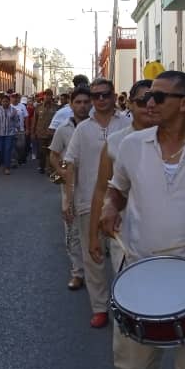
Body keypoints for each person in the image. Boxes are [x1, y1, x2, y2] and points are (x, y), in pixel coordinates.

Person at [102, 71, 185, 369]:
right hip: (140, 268)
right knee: (132, 368)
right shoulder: (131, 145)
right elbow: (117, 189)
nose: (150, 102)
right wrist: (109, 208)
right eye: (148, 96)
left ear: (184, 103)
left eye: (159, 97)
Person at [62, 78, 130, 328]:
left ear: (114, 96)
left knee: (123, 255)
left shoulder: (129, 124)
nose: (100, 99)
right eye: (96, 96)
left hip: (122, 201)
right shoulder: (82, 129)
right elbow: (71, 164)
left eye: (105, 95)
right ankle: (100, 307)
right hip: (87, 200)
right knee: (93, 257)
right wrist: (68, 198)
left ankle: (125, 304)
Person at [90, 79, 153, 273]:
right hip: (125, 238)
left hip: (167, 242)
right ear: (130, 104)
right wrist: (94, 236)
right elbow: (101, 190)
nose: (150, 106)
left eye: (157, 100)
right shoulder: (116, 142)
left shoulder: (176, 144)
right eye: (143, 101)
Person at [48, 88, 92, 293]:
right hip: (71, 185)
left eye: (86, 102)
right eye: (78, 102)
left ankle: (93, 273)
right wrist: (61, 173)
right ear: (71, 105)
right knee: (72, 230)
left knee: (95, 231)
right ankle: (77, 273)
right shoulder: (63, 129)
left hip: (96, 185)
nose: (82, 106)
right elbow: (54, 155)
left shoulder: (98, 127)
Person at [0, 94, 20, 175]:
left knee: (8, 150)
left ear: (9, 102)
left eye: (6, 101)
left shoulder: (13, 110)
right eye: (3, 101)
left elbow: (16, 121)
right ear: (1, 102)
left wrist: (18, 131)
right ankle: (3, 162)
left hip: (10, 134)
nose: (5, 103)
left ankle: (7, 167)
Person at [33, 89, 57, 174]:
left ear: (51, 96)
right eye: (46, 95)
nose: (47, 97)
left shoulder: (56, 107)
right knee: (42, 151)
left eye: (49, 95)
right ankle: (41, 166)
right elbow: (34, 121)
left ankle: (49, 168)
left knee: (50, 152)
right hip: (41, 133)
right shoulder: (38, 107)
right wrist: (33, 132)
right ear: (43, 96)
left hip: (52, 134)